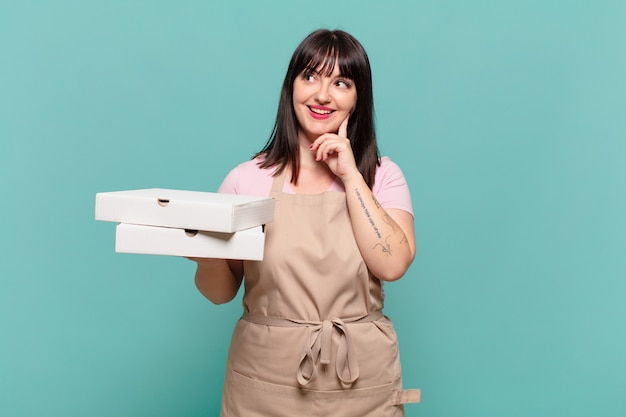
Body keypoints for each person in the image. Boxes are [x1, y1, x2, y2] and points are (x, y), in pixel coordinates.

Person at [191, 28, 420, 416]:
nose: (322, 95)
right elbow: (219, 292)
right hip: (264, 383)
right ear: (290, 87)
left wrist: (351, 177)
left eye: (341, 82)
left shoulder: (383, 177)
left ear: (358, 99)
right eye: (310, 76)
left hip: (362, 381)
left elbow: (393, 264)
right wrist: (201, 248)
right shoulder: (246, 179)